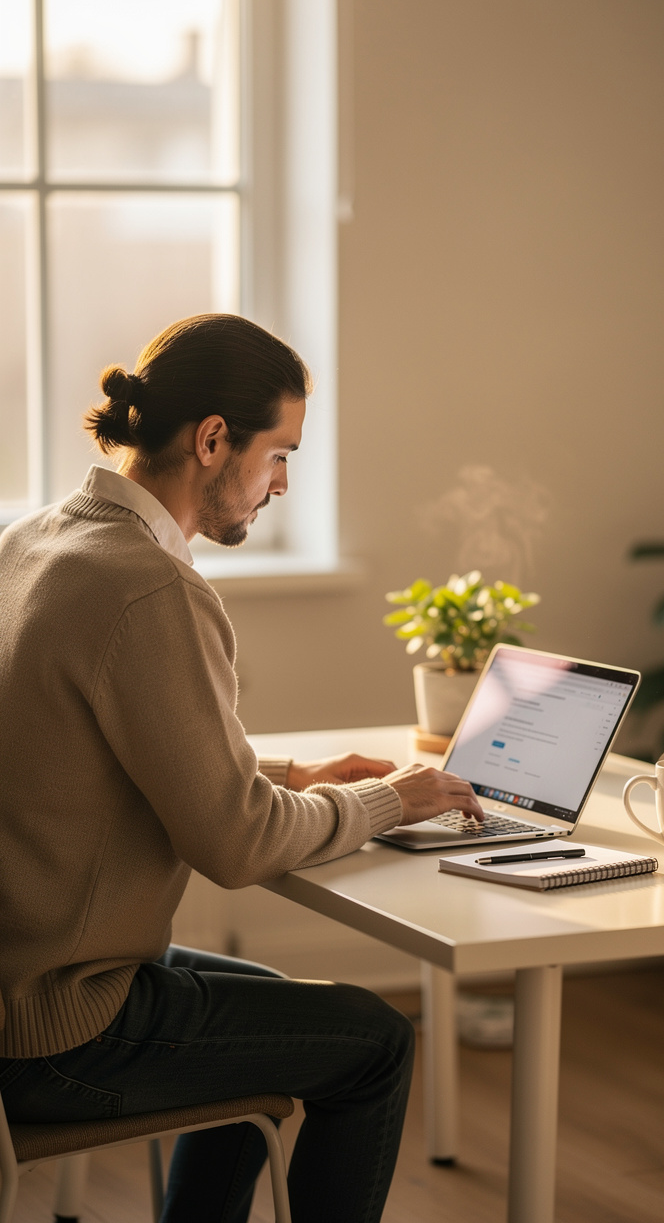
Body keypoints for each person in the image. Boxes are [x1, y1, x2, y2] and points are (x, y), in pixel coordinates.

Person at [0, 313, 482, 1223]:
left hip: (22, 975)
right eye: (280, 454)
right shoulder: (149, 587)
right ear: (214, 440)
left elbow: (111, 752)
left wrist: (302, 780)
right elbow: (235, 843)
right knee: (374, 1042)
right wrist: (389, 799)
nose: (284, 484)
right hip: (59, 1027)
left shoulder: (36, 542)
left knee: (278, 1019)